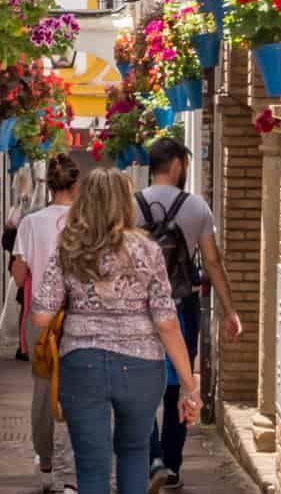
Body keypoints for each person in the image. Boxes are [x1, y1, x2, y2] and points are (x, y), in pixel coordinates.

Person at [33, 167, 201, 494]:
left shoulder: (69, 247)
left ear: (85, 202)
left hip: (82, 365)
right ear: (125, 203)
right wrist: (188, 384)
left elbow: (41, 316)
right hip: (141, 367)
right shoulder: (147, 249)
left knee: (92, 466)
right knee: (135, 453)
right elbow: (166, 322)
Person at [136, 136, 243, 493]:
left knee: (142, 385)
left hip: (139, 309)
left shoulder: (130, 206)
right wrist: (229, 310)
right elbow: (212, 261)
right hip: (182, 305)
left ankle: (151, 459)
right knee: (180, 383)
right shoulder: (196, 208)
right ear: (179, 164)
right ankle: (173, 465)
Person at [10, 154, 80, 489]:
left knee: (42, 392)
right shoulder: (86, 223)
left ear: (48, 185)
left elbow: (19, 272)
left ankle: (47, 467)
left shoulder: (31, 222)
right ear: (76, 184)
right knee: (82, 392)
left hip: (42, 317)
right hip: (81, 316)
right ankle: (77, 467)